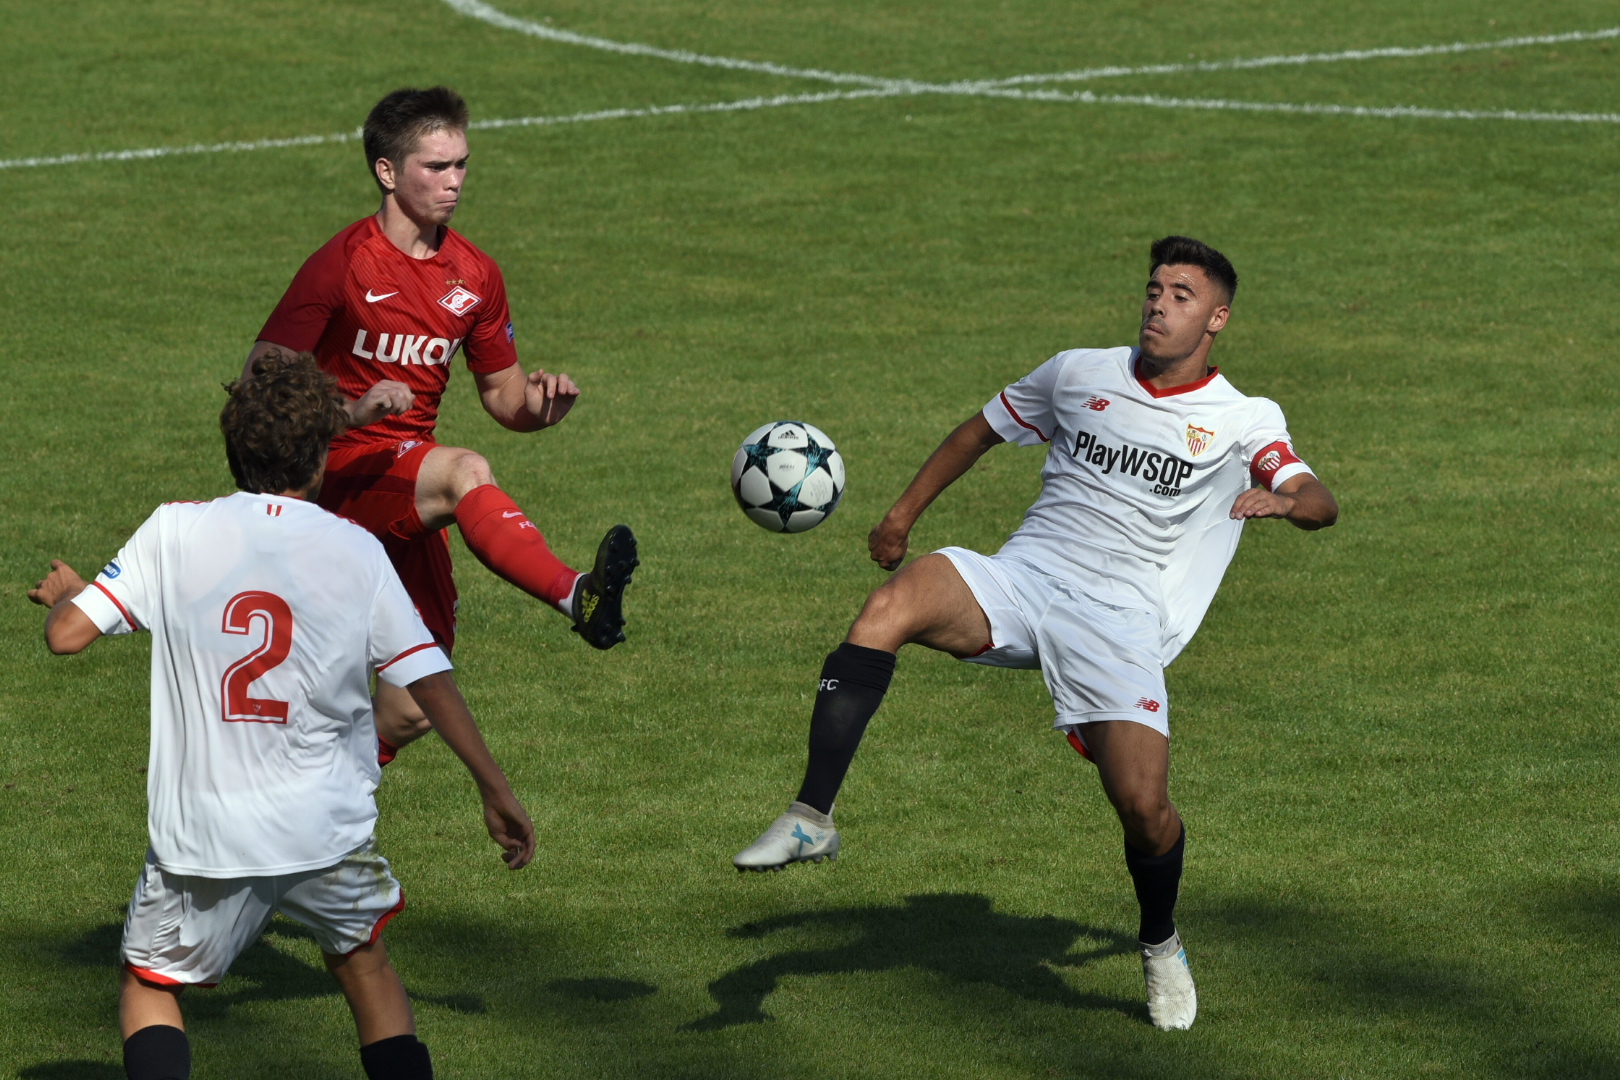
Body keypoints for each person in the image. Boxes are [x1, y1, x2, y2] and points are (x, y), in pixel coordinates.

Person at [732, 236, 1339, 1031]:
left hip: (1119, 619)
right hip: (1022, 577)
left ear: (1217, 318)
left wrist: (1287, 504)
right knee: (887, 610)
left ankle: (1159, 943)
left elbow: (1318, 497)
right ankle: (813, 816)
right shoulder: (1077, 371)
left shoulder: (1241, 418)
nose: (1159, 303)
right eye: (1154, 288)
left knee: (1144, 808)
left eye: (1182, 295)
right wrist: (901, 516)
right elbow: (978, 432)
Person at [28, 352, 537, 1080]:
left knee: (149, 984)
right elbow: (427, 679)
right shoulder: (356, 550)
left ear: (233, 448)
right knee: (365, 969)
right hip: (322, 827)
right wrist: (495, 788)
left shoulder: (174, 531)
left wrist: (74, 593)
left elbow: (67, 636)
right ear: (322, 456)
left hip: (204, 833)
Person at [245, 85, 637, 764]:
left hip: (403, 487)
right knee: (466, 472)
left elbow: (502, 394)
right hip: (331, 476)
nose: (454, 182)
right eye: (436, 167)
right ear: (388, 172)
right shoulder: (341, 266)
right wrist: (351, 412)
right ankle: (577, 594)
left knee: (410, 706)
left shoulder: (476, 274)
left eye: (461, 165)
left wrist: (541, 407)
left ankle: (304, 793)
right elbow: (259, 387)